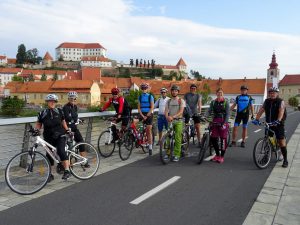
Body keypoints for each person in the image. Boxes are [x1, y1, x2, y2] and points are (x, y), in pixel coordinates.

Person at [35, 94, 71, 181]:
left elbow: (63, 121)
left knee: (61, 150)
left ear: (55, 102)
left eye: (53, 101)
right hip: (48, 136)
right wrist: (36, 130)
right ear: (47, 102)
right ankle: (50, 174)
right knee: (49, 155)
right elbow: (39, 124)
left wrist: (67, 130)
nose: (52, 103)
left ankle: (67, 170)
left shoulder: (59, 111)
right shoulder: (42, 113)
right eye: (50, 101)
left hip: (60, 135)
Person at [253, 87, 288, 168]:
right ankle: (266, 157)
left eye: (274, 93)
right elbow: (261, 110)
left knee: (281, 141)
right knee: (268, 140)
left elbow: (281, 111)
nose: (272, 94)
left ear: (277, 93)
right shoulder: (267, 101)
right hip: (269, 123)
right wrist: (257, 119)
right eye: (271, 93)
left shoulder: (280, 101)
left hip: (278, 124)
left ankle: (285, 159)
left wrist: (278, 120)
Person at [62, 91, 89, 168]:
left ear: (75, 98)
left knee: (81, 142)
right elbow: (67, 118)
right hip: (68, 129)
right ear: (68, 98)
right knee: (69, 147)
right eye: (70, 98)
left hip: (74, 128)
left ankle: (84, 161)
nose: (72, 99)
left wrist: (79, 120)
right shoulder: (65, 107)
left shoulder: (75, 107)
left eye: (73, 98)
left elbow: (75, 117)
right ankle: (69, 165)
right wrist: (73, 121)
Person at [207, 88, 230, 163]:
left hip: (223, 121)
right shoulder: (213, 102)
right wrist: (205, 116)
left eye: (221, 93)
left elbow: (227, 114)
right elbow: (209, 111)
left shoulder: (226, 102)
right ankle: (217, 155)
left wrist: (224, 122)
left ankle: (222, 157)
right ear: (216, 94)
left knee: (223, 139)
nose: (219, 94)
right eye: (218, 93)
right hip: (215, 121)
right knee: (213, 138)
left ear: (223, 94)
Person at [164, 85, 185, 162]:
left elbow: (181, 112)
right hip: (171, 121)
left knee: (177, 138)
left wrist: (173, 116)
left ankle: (177, 154)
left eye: (176, 91)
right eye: (173, 90)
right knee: (168, 138)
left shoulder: (181, 101)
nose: (174, 92)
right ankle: (168, 153)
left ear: (178, 92)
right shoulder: (168, 101)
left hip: (178, 121)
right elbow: (166, 111)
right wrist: (167, 117)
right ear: (171, 92)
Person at [138, 83, 154, 155]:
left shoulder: (150, 96)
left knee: (148, 130)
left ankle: (150, 147)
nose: (144, 90)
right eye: (143, 88)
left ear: (147, 89)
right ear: (141, 89)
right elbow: (139, 108)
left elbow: (152, 107)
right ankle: (138, 137)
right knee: (134, 122)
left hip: (149, 114)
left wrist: (147, 115)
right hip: (142, 113)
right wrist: (142, 115)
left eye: (145, 88)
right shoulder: (140, 97)